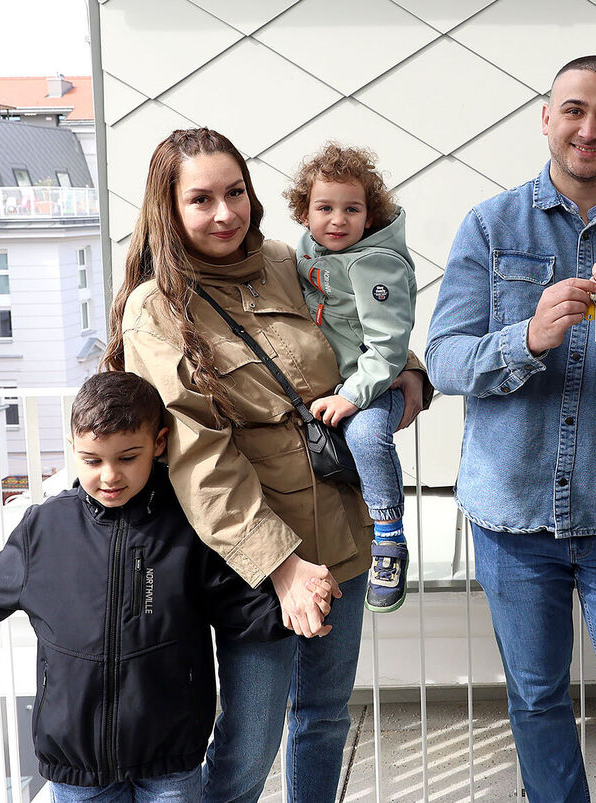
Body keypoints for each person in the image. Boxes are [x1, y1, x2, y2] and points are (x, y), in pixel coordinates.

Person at [102, 128, 431, 803]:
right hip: (253, 564)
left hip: (340, 538)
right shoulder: (156, 307)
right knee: (249, 745)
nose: (225, 213)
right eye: (201, 199)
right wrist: (282, 568)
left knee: (323, 719)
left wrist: (411, 381)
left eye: (235, 192)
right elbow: (199, 456)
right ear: (168, 207)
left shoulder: (287, 259)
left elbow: (366, 328)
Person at [425, 55, 596, 802]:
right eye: (574, 109)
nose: (590, 128)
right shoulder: (488, 227)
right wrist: (527, 338)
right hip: (512, 517)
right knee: (538, 701)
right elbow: (445, 359)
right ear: (546, 117)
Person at [0, 371, 288, 802]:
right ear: (73, 447)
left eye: (127, 458)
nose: (109, 476)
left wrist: (300, 607)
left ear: (159, 444)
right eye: (93, 461)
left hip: (169, 757)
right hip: (76, 766)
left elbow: (240, 604)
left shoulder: (187, 523)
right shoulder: (45, 527)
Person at [284, 142, 419, 613]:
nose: (337, 220)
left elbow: (388, 345)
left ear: (369, 215)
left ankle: (388, 535)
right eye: (325, 208)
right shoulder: (305, 253)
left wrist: (355, 397)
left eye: (352, 209)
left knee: (365, 434)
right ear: (304, 213)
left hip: (374, 384)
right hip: (336, 384)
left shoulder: (373, 265)